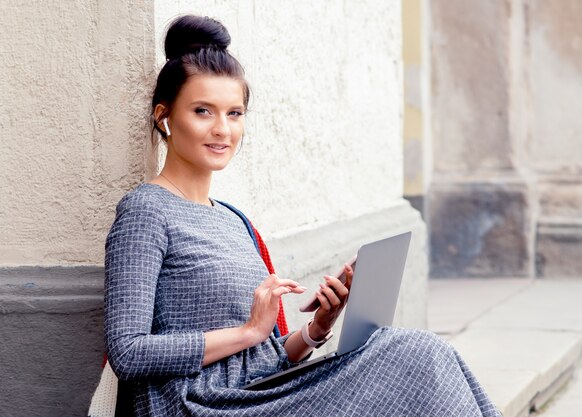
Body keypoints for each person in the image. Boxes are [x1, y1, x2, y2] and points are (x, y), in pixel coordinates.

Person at [104, 14, 501, 417]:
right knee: (414, 354)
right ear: (164, 116)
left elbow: (265, 356)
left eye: (235, 113)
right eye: (203, 111)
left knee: (418, 351)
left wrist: (317, 330)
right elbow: (128, 352)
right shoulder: (145, 212)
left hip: (260, 392)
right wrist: (247, 333)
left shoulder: (233, 220)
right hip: (200, 405)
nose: (222, 129)